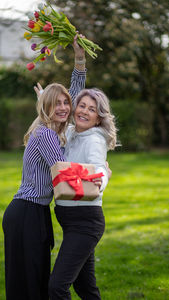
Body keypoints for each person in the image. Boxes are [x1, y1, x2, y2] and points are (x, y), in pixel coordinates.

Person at [2, 36, 88, 300]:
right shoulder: (46, 134)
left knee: (35, 279)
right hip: (26, 213)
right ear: (46, 108)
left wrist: (80, 61)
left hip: (34, 213)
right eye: (56, 104)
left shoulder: (48, 128)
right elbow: (62, 174)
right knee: (28, 283)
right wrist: (99, 175)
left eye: (65, 103)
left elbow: (72, 96)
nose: (64, 108)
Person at [48, 87, 117, 299]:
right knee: (85, 288)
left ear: (98, 118)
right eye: (82, 106)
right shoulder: (70, 132)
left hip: (85, 222)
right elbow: (54, 117)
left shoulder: (94, 139)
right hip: (72, 223)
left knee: (57, 287)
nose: (84, 112)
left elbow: (99, 170)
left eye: (92, 109)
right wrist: (45, 100)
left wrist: (102, 179)